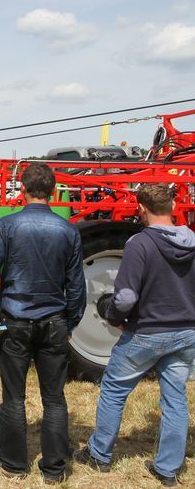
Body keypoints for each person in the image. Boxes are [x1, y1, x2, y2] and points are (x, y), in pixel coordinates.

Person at [0, 162, 85, 484]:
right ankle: (55, 470)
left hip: (16, 320)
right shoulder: (68, 230)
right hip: (55, 321)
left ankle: (14, 466)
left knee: (13, 397)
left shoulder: (7, 225)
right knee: (55, 398)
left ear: (22, 190)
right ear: (55, 191)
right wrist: (71, 321)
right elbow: (76, 286)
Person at [75, 183, 195, 487]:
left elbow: (126, 297)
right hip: (186, 333)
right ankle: (168, 469)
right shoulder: (193, 242)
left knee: (114, 390)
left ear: (141, 208)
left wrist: (115, 318)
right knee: (175, 399)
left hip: (147, 331)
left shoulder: (139, 244)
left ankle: (99, 454)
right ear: (171, 208)